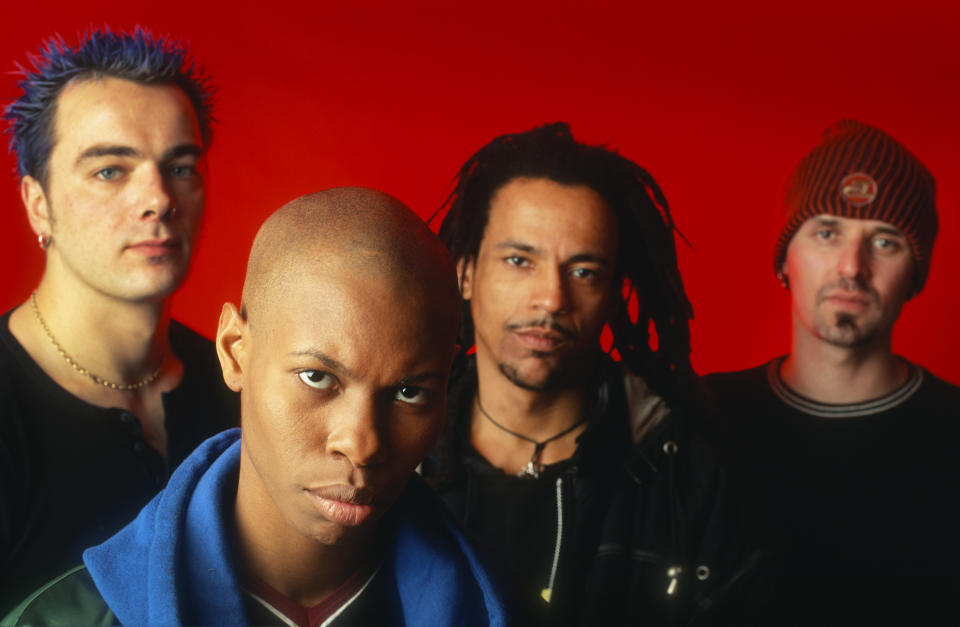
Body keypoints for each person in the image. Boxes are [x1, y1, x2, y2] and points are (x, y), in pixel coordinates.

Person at [2, 188, 508, 627]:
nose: (362, 444)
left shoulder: (497, 606)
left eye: (409, 393)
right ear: (233, 351)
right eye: (318, 378)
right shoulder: (67, 618)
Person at [423, 122, 742, 626]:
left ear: (613, 295)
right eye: (519, 260)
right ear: (465, 275)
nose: (552, 297)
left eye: (584, 272)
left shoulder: (686, 472)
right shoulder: (395, 450)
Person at [0, 28, 237, 614]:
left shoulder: (244, 383)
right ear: (38, 203)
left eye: (181, 167)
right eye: (110, 170)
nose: (158, 198)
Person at [705, 119, 960, 622]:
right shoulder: (701, 420)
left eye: (885, 241)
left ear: (916, 274)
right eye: (827, 232)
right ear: (785, 259)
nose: (852, 265)